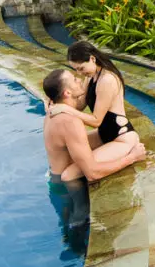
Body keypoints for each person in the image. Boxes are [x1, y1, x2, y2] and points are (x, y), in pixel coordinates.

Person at [47, 42, 140, 183]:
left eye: (81, 68)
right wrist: (55, 101)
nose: (79, 73)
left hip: (121, 137)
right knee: (65, 154)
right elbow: (79, 106)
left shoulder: (107, 80)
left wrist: (65, 109)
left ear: (92, 59)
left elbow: (96, 120)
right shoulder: (90, 77)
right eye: (76, 70)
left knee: (69, 174)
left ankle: (132, 156)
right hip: (103, 135)